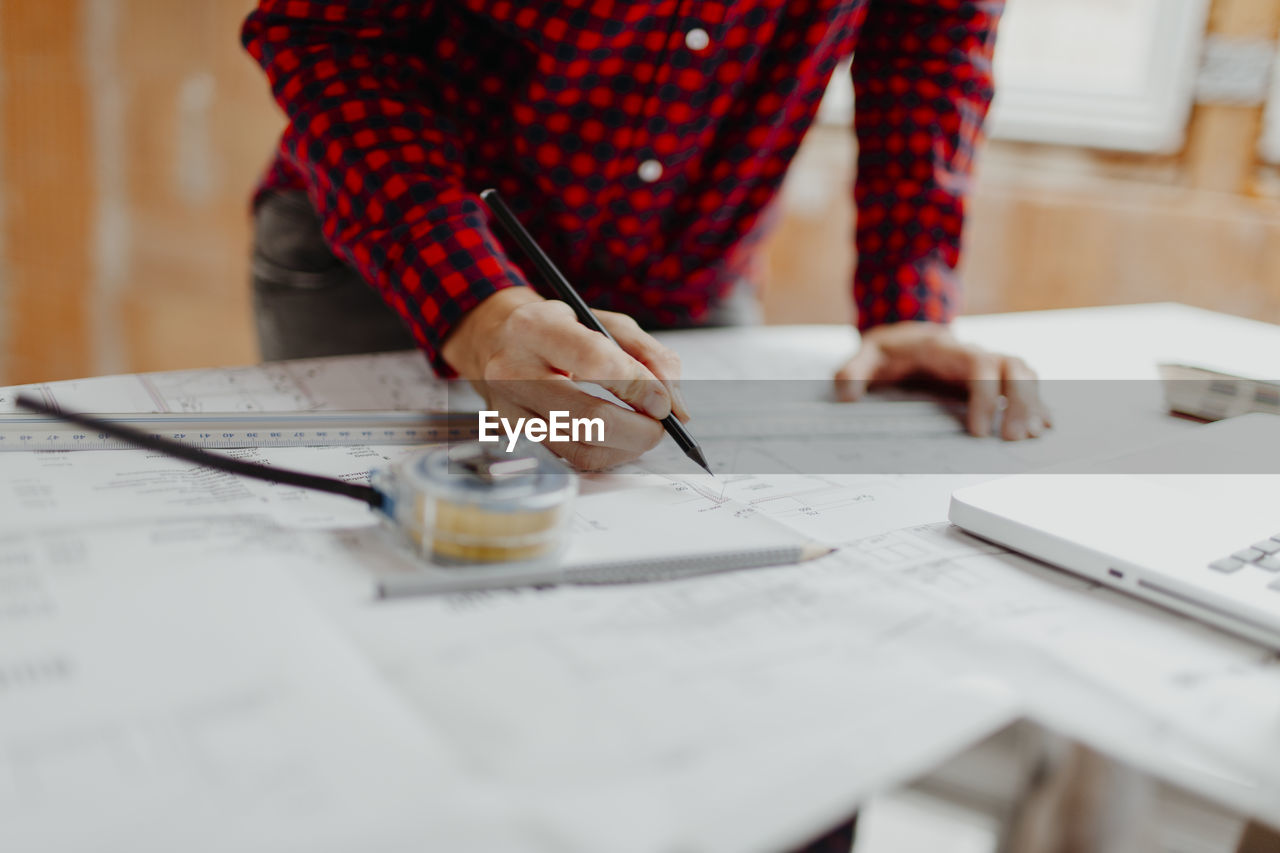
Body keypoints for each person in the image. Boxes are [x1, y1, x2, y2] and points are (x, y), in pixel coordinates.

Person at [242, 0, 1048, 475]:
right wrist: (478, 310)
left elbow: (928, 50)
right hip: (403, 257)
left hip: (688, 272)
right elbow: (329, 33)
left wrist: (908, 303)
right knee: (415, 534)